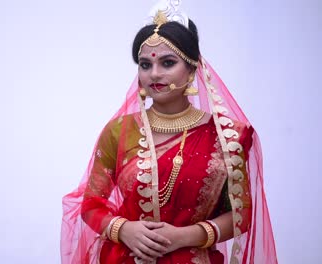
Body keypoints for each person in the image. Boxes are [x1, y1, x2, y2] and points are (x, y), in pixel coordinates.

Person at [61, 1, 277, 263]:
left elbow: (241, 215)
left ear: (192, 68)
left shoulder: (228, 136)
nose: (154, 74)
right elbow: (90, 204)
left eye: (167, 62)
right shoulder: (119, 131)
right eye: (144, 65)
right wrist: (124, 229)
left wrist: (184, 236)